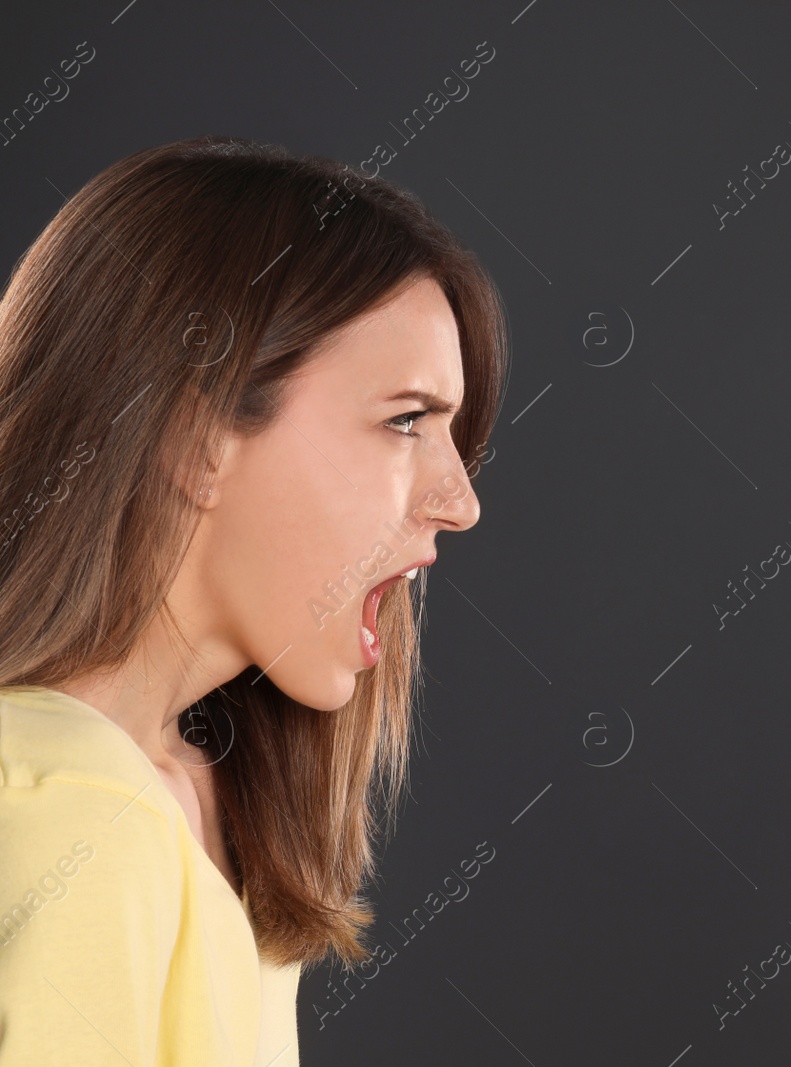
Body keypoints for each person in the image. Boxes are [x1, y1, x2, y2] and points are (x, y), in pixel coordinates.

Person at [0, 135, 507, 1065]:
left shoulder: (196, 808)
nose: (461, 501)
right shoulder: (75, 812)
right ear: (196, 436)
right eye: (405, 420)